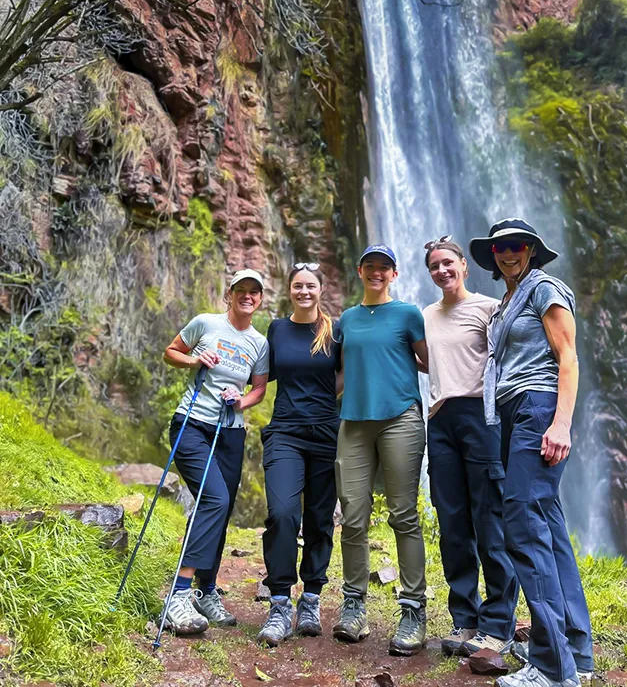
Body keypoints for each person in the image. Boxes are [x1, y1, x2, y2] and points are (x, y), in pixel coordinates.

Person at [469, 218, 594, 687]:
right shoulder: (505, 304)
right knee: (547, 525)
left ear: (532, 250)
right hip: (512, 411)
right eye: (500, 247)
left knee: (521, 525)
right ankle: (576, 650)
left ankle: (551, 666)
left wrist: (561, 423)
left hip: (539, 408)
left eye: (517, 246)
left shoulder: (545, 287)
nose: (508, 253)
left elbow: (568, 357)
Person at [421, 237, 518, 658]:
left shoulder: (488, 308)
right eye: (434, 266)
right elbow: (426, 361)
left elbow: (510, 358)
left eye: (448, 263)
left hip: (482, 416)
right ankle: (465, 618)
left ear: (464, 265)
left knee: (489, 521)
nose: (442, 270)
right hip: (440, 418)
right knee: (452, 523)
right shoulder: (426, 315)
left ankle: (498, 625)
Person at [332, 244, 429, 656]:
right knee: (352, 516)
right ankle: (354, 605)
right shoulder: (346, 320)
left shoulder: (409, 314)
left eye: (384, 267)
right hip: (353, 422)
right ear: (360, 271)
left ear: (394, 273)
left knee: (403, 514)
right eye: (370, 266)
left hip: (400, 419)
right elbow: (336, 374)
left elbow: (429, 361)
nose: (377, 272)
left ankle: (413, 609)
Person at [161, 268, 269, 634]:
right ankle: (178, 593)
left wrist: (241, 402)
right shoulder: (205, 323)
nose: (248, 296)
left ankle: (206, 591)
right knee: (214, 500)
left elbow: (259, 389)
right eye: (242, 289)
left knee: (220, 510)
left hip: (230, 432)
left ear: (260, 299)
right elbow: (171, 351)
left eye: (254, 291)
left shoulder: (259, 342)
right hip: (192, 424)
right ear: (230, 293)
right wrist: (194, 361)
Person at [256, 263, 342, 646]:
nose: (304, 291)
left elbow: (344, 374)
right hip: (285, 432)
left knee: (321, 518)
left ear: (320, 290)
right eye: (298, 286)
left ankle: (310, 598)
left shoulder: (334, 330)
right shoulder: (277, 329)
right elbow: (258, 371)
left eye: (310, 286)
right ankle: (278, 602)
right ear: (289, 290)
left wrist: (323, 399)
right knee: (282, 513)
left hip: (327, 432)